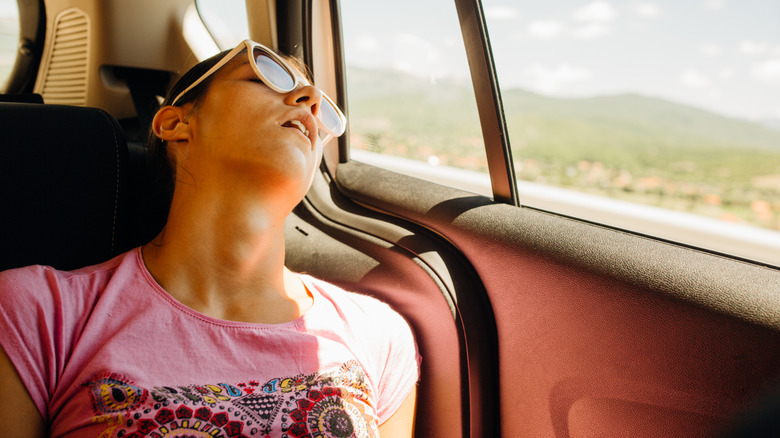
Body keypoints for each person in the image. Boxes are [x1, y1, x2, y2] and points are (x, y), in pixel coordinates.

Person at [0, 40, 419, 437]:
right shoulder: (36, 314)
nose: (310, 100)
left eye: (323, 111)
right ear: (176, 123)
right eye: (265, 76)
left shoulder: (379, 335)